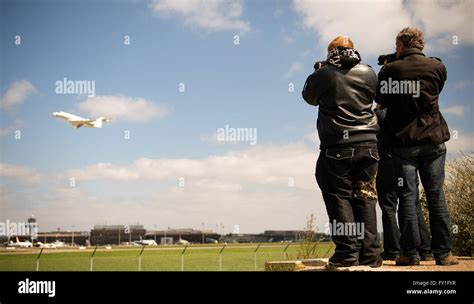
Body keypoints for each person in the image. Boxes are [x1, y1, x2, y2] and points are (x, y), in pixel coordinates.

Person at [376, 27, 458, 266]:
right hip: (433, 140)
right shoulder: (437, 67)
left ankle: (410, 254)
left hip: (403, 144)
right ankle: (444, 254)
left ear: (401, 45)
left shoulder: (389, 70)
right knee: (436, 197)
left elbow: (380, 103)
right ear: (420, 45)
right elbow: (436, 90)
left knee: (408, 198)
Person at [302, 36, 382, 267]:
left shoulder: (325, 74)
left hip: (337, 147)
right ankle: (371, 255)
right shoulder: (369, 72)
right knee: (366, 198)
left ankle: (347, 252)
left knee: (339, 198)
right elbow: (375, 98)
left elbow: (309, 98)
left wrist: (319, 71)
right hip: (369, 145)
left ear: (331, 52)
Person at [375, 107, 433, 261]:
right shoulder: (406, 114)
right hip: (408, 165)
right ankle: (426, 250)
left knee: (388, 209)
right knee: (414, 204)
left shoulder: (377, 116)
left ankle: (393, 250)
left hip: (387, 168)